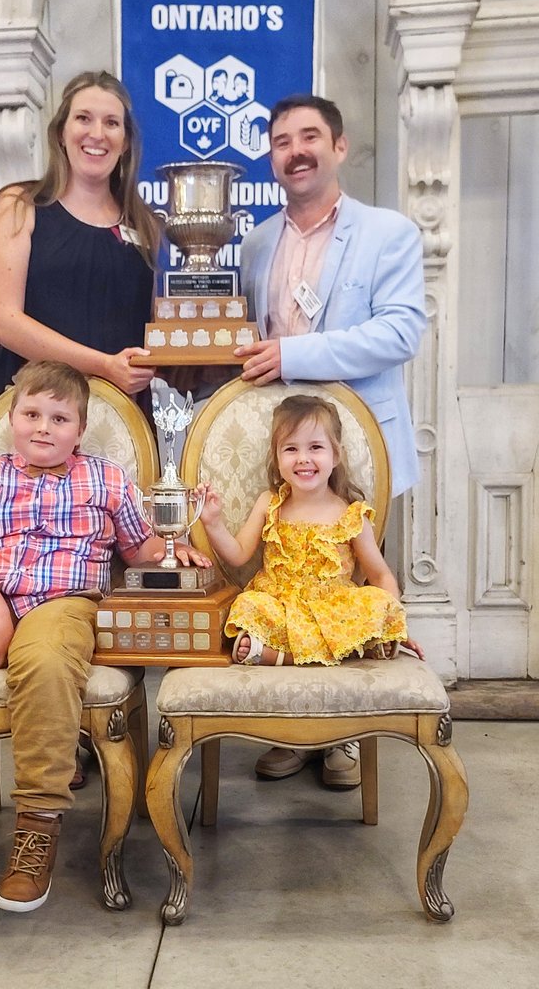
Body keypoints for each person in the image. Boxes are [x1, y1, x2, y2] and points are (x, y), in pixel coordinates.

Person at [0, 360, 208, 913]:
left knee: (45, 664)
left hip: (64, 603)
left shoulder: (104, 479)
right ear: (11, 417)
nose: (44, 427)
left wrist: (174, 549)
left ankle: (37, 825)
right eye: (32, 413)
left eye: (60, 418)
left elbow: (139, 548)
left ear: (80, 429)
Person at [234, 92, 426, 783]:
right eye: (282, 140)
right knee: (289, 599)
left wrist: (292, 355)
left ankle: (345, 734)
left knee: (349, 595)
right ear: (273, 157)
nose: (296, 150)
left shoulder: (388, 232)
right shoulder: (257, 243)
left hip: (359, 451)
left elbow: (400, 333)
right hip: (288, 455)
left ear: (339, 147)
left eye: (310, 136)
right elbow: (250, 351)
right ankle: (293, 728)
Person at [199, 395, 424, 785]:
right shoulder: (270, 504)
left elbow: (381, 576)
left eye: (315, 447)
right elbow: (237, 556)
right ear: (277, 458)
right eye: (291, 449)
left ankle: (338, 738)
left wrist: (392, 620)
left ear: (336, 455)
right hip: (283, 606)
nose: (303, 459)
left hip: (333, 609)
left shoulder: (351, 513)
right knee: (248, 606)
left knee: (372, 606)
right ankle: (292, 739)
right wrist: (214, 523)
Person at [0, 70, 161, 400]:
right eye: (83, 118)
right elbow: (2, 321)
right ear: (61, 133)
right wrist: (103, 366)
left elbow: (147, 330)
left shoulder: (144, 223)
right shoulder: (20, 205)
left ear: (125, 142)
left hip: (123, 420)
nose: (97, 133)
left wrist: (196, 360)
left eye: (111, 123)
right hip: (40, 414)